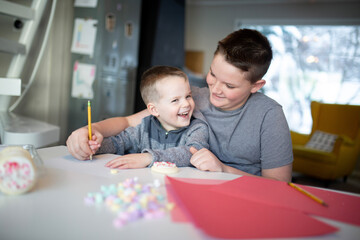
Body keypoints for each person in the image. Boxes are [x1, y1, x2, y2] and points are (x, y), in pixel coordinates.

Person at [67, 28, 293, 181]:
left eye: (229, 86)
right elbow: (128, 122)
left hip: (241, 200)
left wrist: (224, 170)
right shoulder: (191, 97)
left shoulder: (269, 115)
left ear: (256, 86)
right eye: (213, 74)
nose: (215, 89)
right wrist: (92, 130)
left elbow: (279, 186)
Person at [87, 65, 209, 169]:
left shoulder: (197, 127)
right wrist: (94, 147)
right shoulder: (144, 127)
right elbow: (119, 142)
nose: (186, 104)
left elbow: (192, 153)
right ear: (154, 110)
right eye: (175, 100)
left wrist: (149, 157)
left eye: (188, 96)